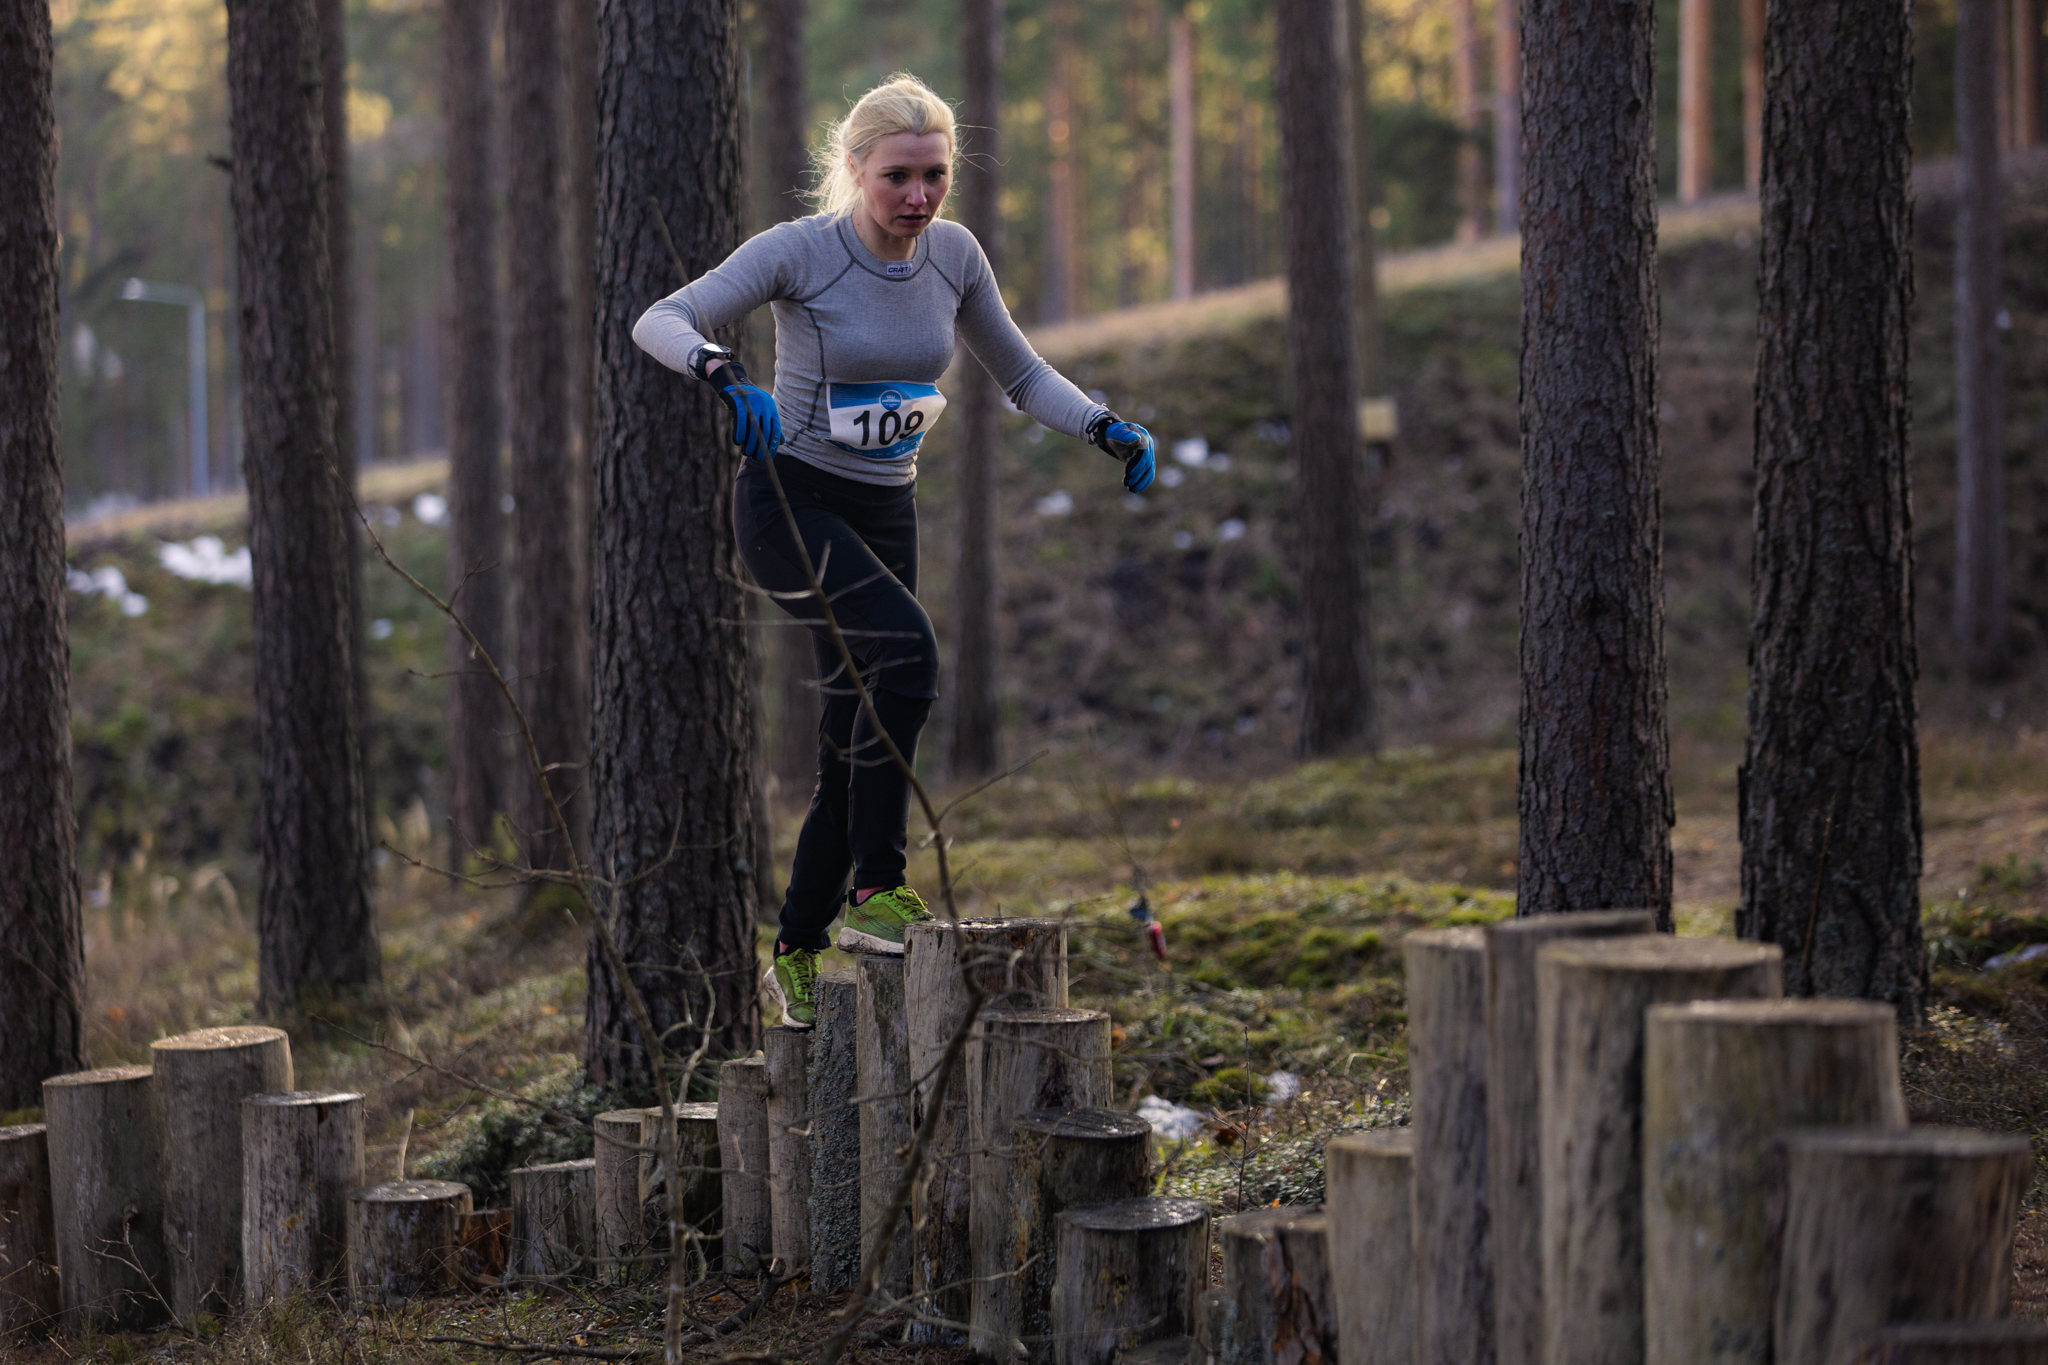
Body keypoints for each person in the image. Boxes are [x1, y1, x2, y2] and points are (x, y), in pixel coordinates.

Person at [632, 73, 1157, 1030]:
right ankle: (879, 885)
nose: (919, 197)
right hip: (790, 503)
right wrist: (724, 374)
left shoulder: (955, 255)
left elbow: (1021, 371)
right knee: (908, 655)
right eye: (898, 178)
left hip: (885, 512)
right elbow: (659, 317)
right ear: (855, 168)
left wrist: (1102, 425)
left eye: (935, 176)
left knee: (852, 736)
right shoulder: (800, 251)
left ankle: (795, 948)